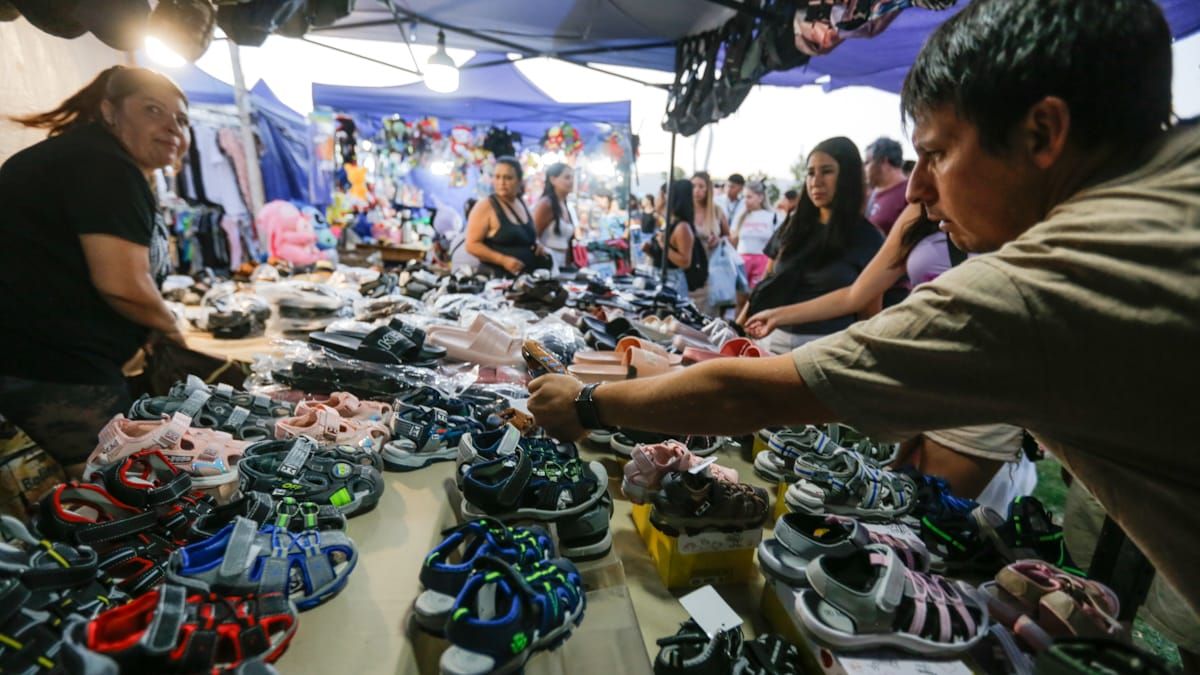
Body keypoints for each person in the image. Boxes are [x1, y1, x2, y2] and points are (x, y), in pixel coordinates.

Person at [530, 0, 1200, 621]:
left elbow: (747, 397)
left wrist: (588, 404)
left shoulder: (1041, 283)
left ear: (1043, 131)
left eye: (935, 152)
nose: (917, 186)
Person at [746, 204, 1033, 505]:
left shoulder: (1019, 208)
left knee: (926, 518)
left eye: (934, 155)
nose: (914, 187)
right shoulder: (918, 208)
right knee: (881, 505)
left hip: (978, 399)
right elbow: (857, 294)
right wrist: (777, 315)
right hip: (912, 384)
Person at [0, 66, 190, 473]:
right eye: (153, 110)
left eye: (181, 119)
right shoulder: (103, 165)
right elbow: (122, 285)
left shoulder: (93, 159)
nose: (173, 127)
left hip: (43, 363)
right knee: (114, 498)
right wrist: (171, 330)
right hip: (54, 371)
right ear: (109, 111)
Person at [739, 137, 884, 353]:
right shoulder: (793, 224)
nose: (816, 181)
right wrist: (738, 328)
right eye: (810, 173)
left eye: (827, 171)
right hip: (769, 342)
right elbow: (767, 282)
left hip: (828, 349)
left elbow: (869, 313)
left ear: (848, 176)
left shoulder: (868, 238)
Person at [465, 156, 547, 278]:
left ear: (519, 181)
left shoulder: (521, 203)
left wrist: (537, 244)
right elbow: (472, 245)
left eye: (508, 178)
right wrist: (503, 260)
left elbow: (527, 236)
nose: (501, 182)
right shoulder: (485, 206)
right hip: (497, 279)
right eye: (497, 177)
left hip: (525, 279)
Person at [644, 179, 696, 301]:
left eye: (665, 194)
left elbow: (685, 261)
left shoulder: (682, 227)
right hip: (660, 278)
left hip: (672, 283)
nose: (662, 197)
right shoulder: (669, 221)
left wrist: (663, 244)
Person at [690, 171, 731, 314]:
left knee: (708, 315)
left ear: (708, 189)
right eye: (694, 186)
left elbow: (728, 237)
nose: (697, 190)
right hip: (689, 271)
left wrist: (719, 240)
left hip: (712, 270)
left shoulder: (717, 210)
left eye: (701, 186)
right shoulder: (685, 210)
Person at [730, 181, 778, 290]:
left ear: (760, 197)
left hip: (763, 262)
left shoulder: (773, 217)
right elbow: (733, 240)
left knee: (756, 297)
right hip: (741, 261)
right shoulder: (740, 216)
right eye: (744, 197)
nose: (745, 201)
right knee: (740, 298)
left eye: (749, 197)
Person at [532, 162, 576, 270]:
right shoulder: (546, 204)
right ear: (553, 180)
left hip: (562, 265)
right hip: (546, 265)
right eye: (567, 177)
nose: (571, 181)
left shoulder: (565, 206)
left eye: (572, 177)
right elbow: (533, 235)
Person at [863, 137, 909, 234]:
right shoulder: (874, 193)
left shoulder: (909, 194)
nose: (864, 169)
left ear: (883, 161)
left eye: (867, 163)